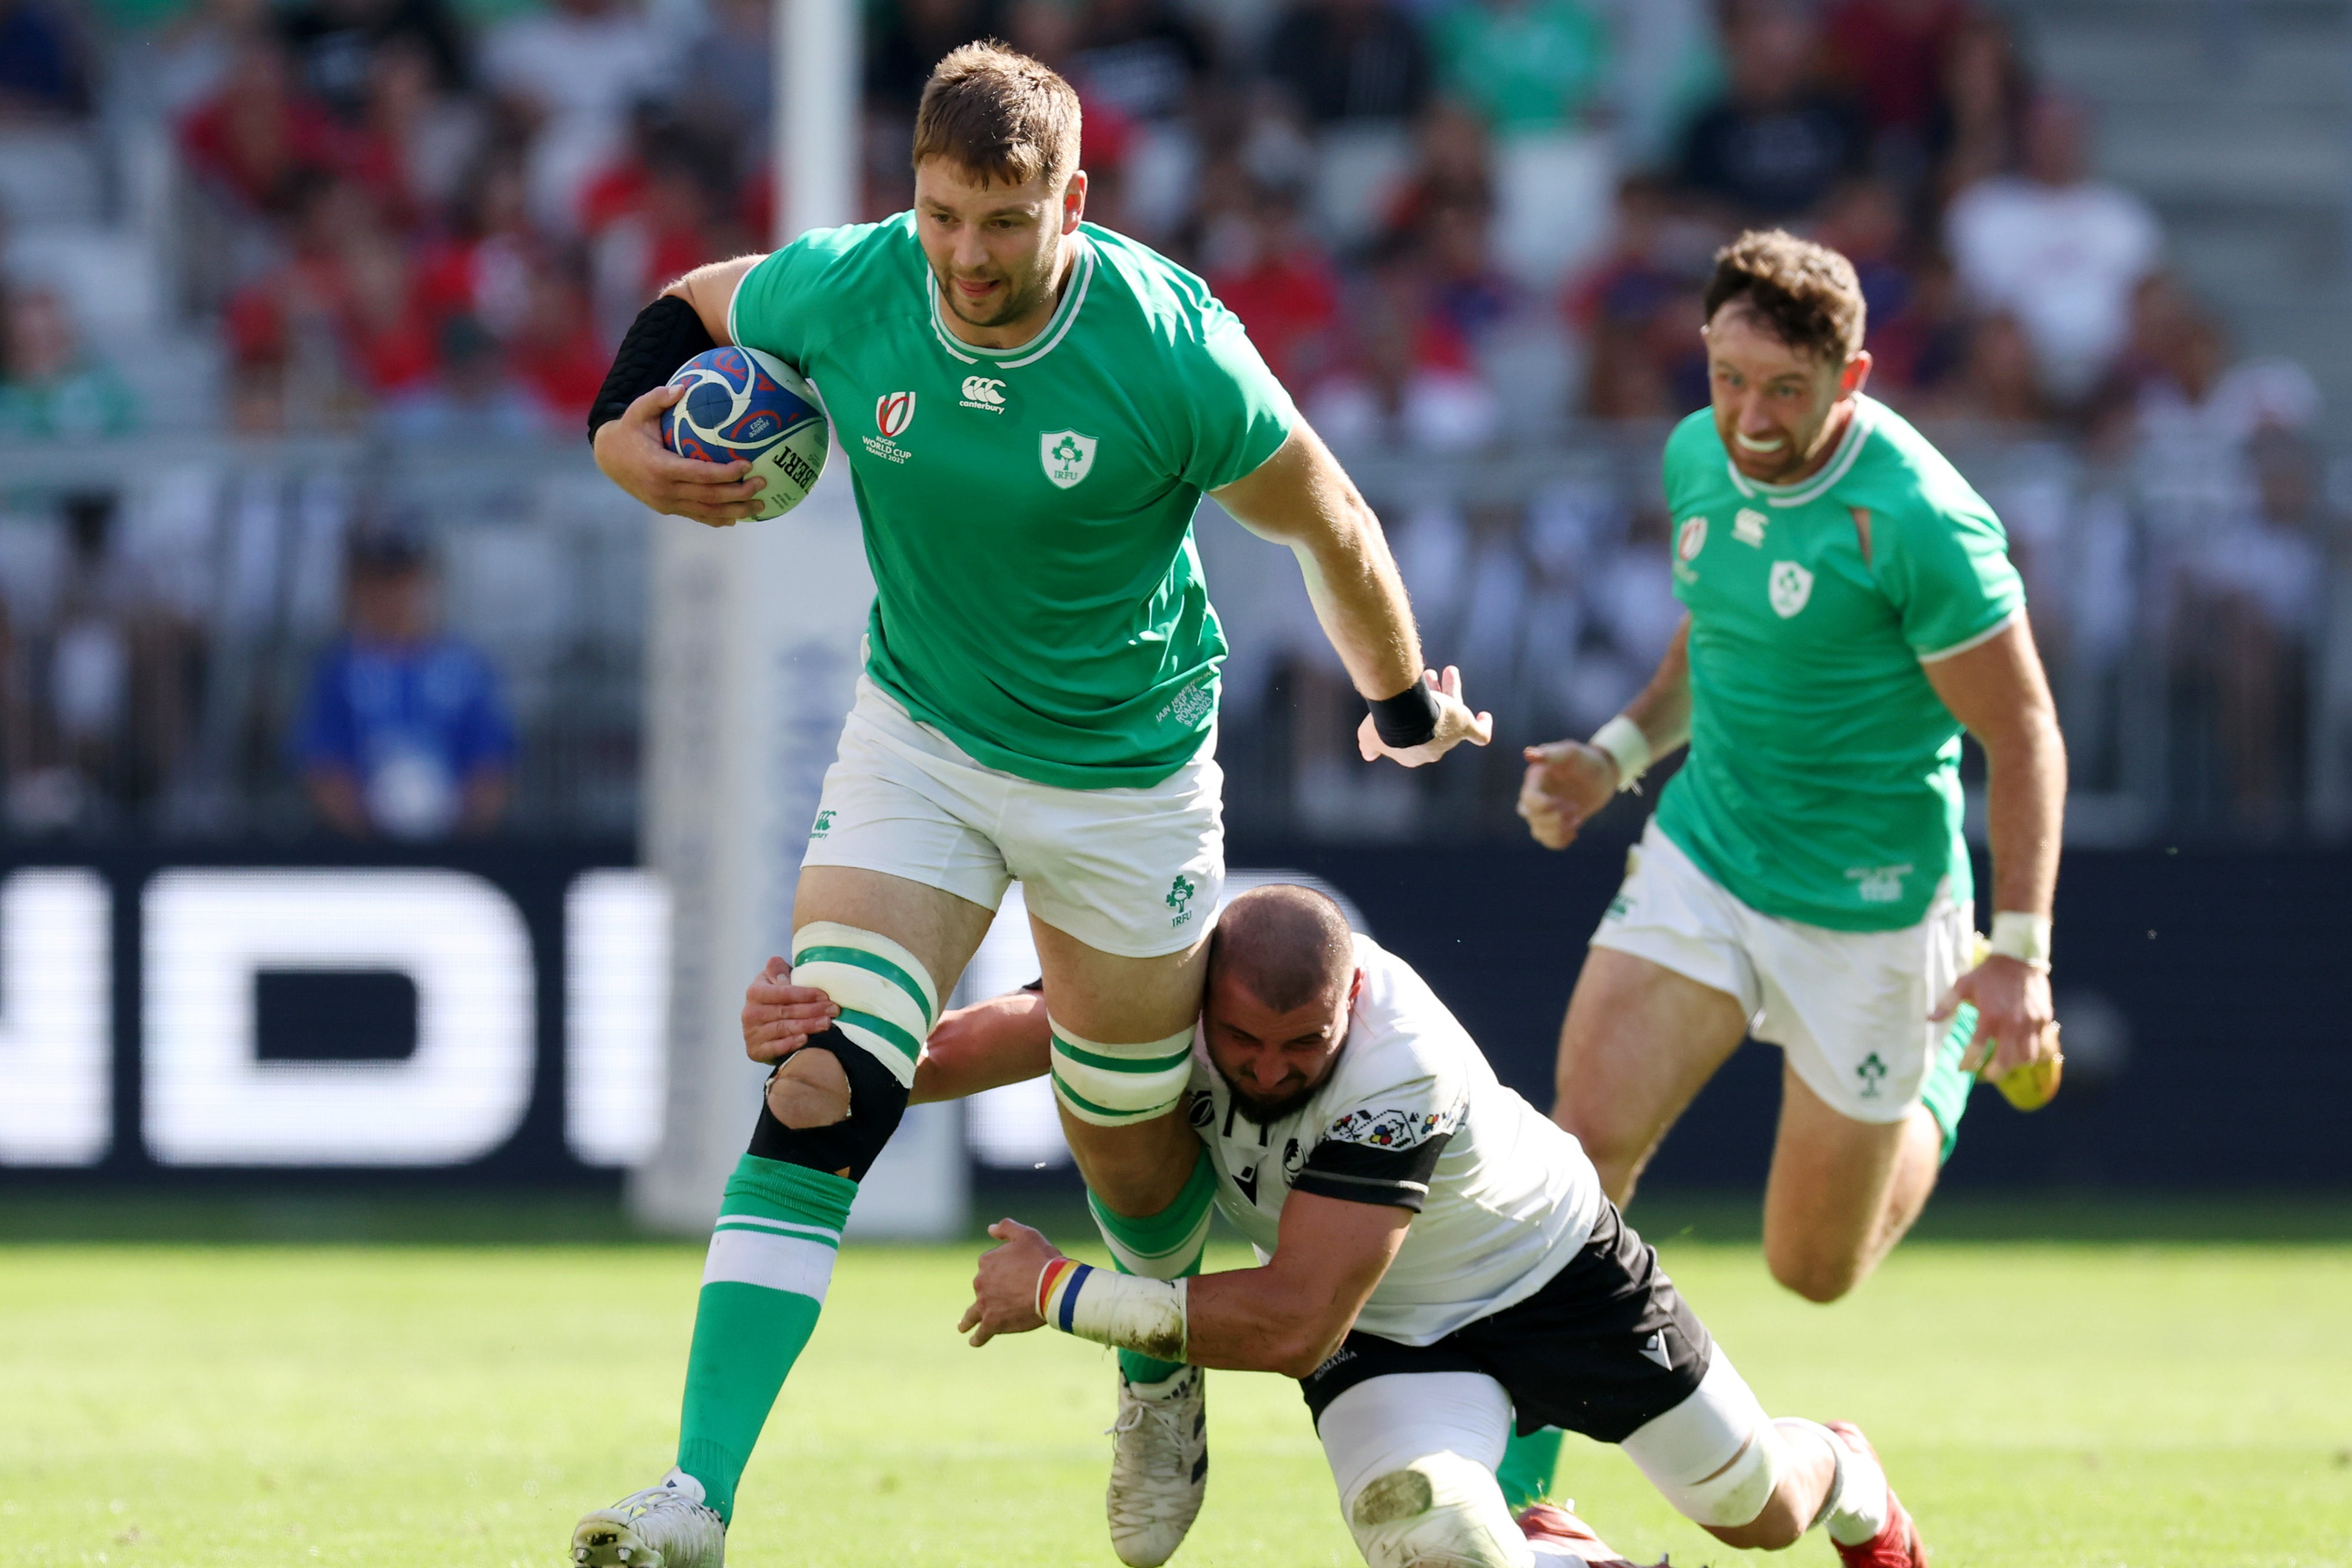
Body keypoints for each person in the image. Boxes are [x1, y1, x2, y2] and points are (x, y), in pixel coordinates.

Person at [572, 42, 1489, 1568]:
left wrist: (1398, 700)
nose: (967, 257)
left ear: (1074, 199)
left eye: (1004, 222)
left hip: (1125, 780)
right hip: (920, 742)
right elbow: (697, 304)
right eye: (940, 217)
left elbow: (1328, 515)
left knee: (1123, 1142)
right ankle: (694, 1500)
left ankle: (1151, 1365)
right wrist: (619, 438)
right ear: (911, 198)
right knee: (820, 1073)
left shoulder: (1168, 347)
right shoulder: (857, 286)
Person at [1508, 228, 2064, 1506]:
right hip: (1703, 859)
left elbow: (2022, 732)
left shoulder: (1917, 521)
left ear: (1851, 377)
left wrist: (2018, 957)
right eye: (1725, 380)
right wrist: (1612, 754)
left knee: (1810, 1269)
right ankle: (1527, 1494)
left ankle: (1938, 1077)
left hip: (1869, 916)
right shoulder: (1693, 456)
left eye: (1783, 392)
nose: (1748, 419)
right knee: (1573, 1158)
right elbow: (1720, 631)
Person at [939, 884, 1930, 1568]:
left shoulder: (1400, 1060)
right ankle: (1558, 1552)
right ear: (1203, 1002)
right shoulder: (1167, 991)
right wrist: (830, 1056)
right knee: (1427, 1534)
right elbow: (969, 1045)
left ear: (1352, 999)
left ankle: (1847, 1465)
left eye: (1305, 1043)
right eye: (1244, 1040)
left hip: (1550, 1276)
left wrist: (1060, 1290)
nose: (1273, 1069)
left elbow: (1293, 1324)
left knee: (1758, 1508)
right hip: (1385, 1333)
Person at [293, 528, 515, 839]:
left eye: (404, 580)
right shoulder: (339, 671)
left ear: (427, 583)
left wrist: (464, 843)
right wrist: (367, 842)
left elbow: (491, 765)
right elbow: (324, 767)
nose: (393, 595)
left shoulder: (466, 668)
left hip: (454, 847)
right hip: (365, 852)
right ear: (360, 589)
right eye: (380, 582)